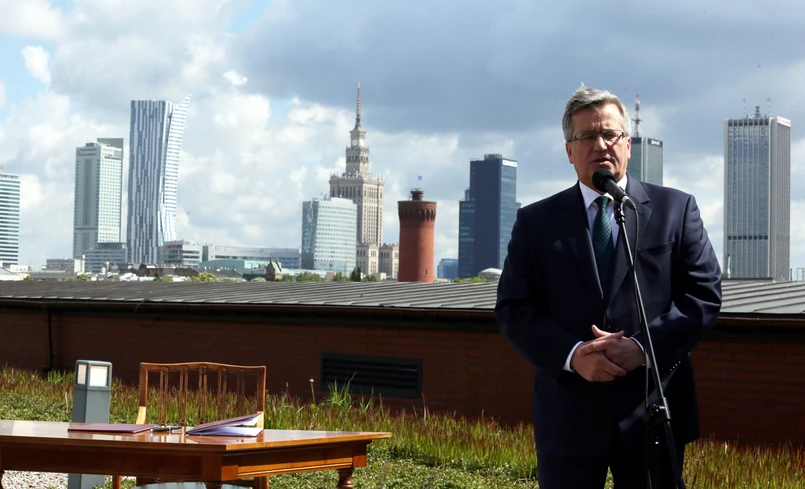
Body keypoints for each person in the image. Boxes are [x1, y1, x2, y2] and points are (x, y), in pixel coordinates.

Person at [495, 85, 722, 489]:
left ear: (628, 144)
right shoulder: (536, 222)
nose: (600, 145)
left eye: (610, 134)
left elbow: (703, 295)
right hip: (569, 414)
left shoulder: (675, 209)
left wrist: (641, 348)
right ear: (569, 150)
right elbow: (514, 308)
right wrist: (573, 356)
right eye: (587, 136)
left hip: (652, 411)